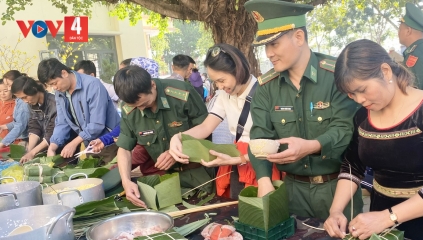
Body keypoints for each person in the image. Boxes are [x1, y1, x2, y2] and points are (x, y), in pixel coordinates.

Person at [323, 39, 423, 240]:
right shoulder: (363, 116)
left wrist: (387, 218)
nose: (359, 99)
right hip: (380, 228)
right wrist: (335, 211)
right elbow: (352, 164)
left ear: (385, 71)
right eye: (352, 94)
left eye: (362, 90)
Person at [244, 0, 362, 220]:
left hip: (338, 188)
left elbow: (344, 128)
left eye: (275, 44)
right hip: (291, 191)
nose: (269, 53)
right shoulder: (265, 88)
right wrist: (263, 180)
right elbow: (260, 138)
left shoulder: (336, 75)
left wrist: (312, 146)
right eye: (265, 46)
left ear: (298, 37)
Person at [169, 44, 281, 198]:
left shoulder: (264, 91)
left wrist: (239, 159)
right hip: (235, 162)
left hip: (262, 164)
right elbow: (206, 126)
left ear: (238, 69)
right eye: (215, 82)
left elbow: (274, 143)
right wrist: (179, 137)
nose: (220, 87)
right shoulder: (224, 95)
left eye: (222, 80)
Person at [114, 65, 214, 208]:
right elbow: (124, 148)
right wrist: (126, 180)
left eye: (145, 104)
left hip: (198, 174)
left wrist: (177, 151)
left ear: (152, 85)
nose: (142, 109)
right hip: (165, 179)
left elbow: (206, 130)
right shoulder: (129, 109)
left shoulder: (182, 93)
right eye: (136, 107)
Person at [89, 57, 163, 176]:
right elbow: (124, 129)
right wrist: (104, 140)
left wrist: (114, 170)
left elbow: (141, 150)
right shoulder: (131, 106)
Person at [37, 58, 120, 163]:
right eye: (51, 85)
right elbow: (62, 122)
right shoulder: (60, 93)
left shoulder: (92, 85)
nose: (55, 88)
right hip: (90, 145)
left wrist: (74, 143)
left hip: (110, 142)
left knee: (114, 175)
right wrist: (53, 145)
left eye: (55, 83)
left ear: (64, 73)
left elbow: (97, 124)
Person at [10, 76, 57, 163]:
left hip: (59, 149)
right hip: (44, 147)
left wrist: (32, 152)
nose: (25, 101)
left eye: (25, 97)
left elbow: (52, 133)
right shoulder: (32, 104)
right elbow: (34, 127)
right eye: (21, 99)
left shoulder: (54, 103)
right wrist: (29, 151)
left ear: (34, 89)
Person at [398, 3, 423, 93]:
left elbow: (410, 91)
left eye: (399, 29)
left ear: (408, 31)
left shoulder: (415, 54)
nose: (398, 33)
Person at [1, 71, 30, 148]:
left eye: (9, 85)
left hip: (25, 140)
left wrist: (3, 143)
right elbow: (17, 122)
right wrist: (4, 126)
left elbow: (20, 125)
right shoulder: (18, 100)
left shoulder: (23, 101)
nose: (8, 88)